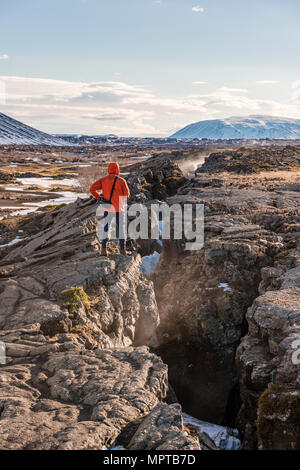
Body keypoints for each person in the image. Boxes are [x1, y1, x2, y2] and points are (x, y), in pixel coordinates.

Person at [90, 162, 130, 256]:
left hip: (107, 208)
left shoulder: (103, 180)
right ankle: (123, 250)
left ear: (109, 170)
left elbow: (92, 188)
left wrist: (99, 197)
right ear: (117, 170)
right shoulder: (121, 181)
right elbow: (127, 195)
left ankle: (103, 250)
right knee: (121, 229)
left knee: (106, 229)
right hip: (119, 209)